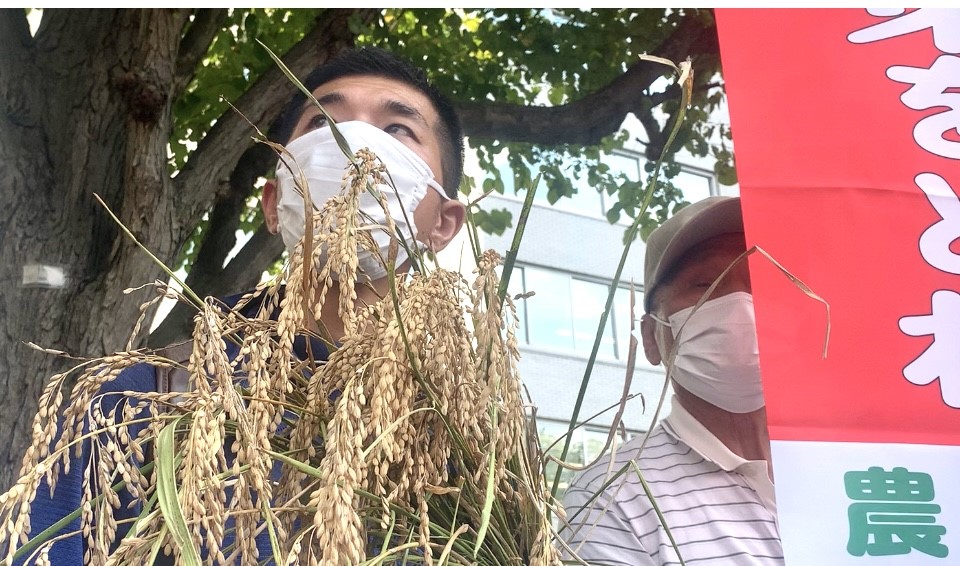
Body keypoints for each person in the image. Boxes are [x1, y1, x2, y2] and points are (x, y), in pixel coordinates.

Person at [17, 46, 467, 565]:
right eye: (321, 122)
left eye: (396, 130)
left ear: (444, 224)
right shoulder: (140, 397)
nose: (352, 146)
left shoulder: (467, 434)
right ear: (274, 205)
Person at [560, 196, 784, 565]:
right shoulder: (612, 498)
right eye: (705, 285)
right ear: (652, 337)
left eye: (763, 281)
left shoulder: (862, 463)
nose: (742, 304)